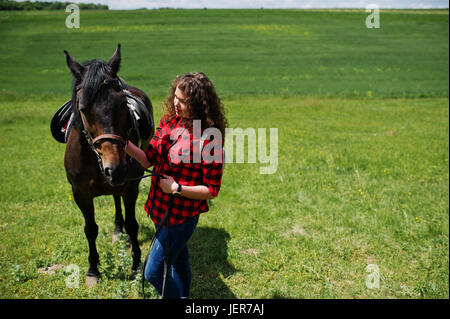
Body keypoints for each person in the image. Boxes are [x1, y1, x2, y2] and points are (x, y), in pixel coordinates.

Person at [126, 72, 227, 299]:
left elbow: (211, 191)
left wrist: (176, 188)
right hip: (158, 208)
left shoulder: (210, 140)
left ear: (199, 104)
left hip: (181, 218)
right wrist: (125, 146)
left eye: (182, 101)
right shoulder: (169, 122)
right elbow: (148, 158)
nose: (175, 103)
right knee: (179, 261)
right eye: (175, 97)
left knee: (152, 273)